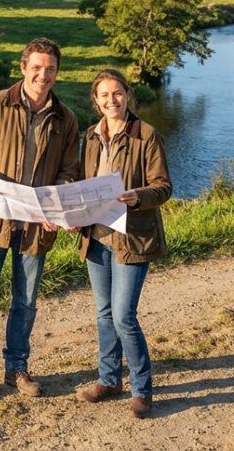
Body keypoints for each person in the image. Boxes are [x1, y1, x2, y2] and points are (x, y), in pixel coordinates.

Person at [0, 37, 81, 402]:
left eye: (50, 69)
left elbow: (70, 172)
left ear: (57, 72)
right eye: (36, 68)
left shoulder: (66, 119)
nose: (43, 75)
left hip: (36, 228)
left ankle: (16, 369)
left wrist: (57, 205)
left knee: (25, 302)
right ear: (23, 68)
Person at [74, 68, 171, 418]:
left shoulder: (146, 135)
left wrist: (137, 197)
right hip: (97, 236)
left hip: (132, 238)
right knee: (103, 314)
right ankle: (108, 378)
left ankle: (142, 389)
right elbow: (85, 185)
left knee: (124, 316)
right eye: (104, 95)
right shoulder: (91, 136)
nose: (111, 101)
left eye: (117, 93)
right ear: (96, 101)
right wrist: (75, 217)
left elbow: (163, 187)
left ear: (128, 95)